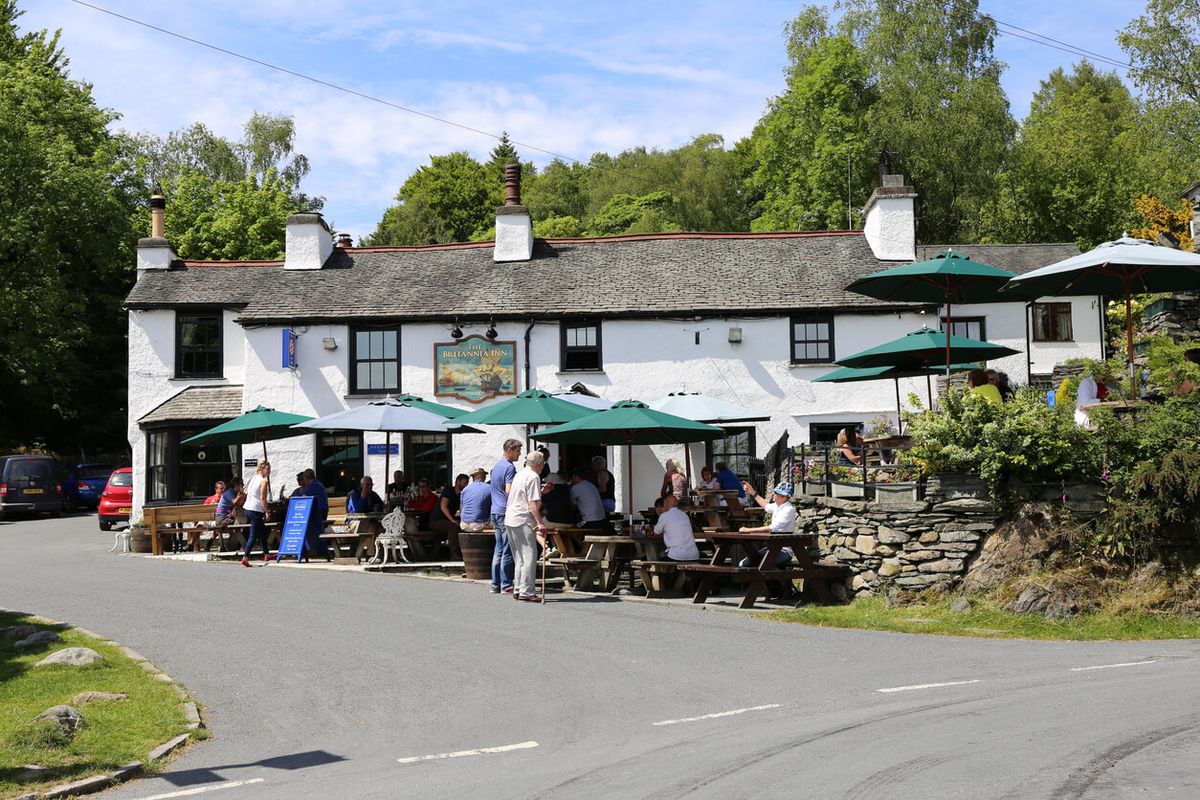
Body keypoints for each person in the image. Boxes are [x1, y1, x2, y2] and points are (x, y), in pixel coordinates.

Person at [504, 450, 549, 602]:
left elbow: (525, 497)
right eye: (543, 463)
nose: (543, 466)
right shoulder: (534, 476)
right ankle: (527, 591)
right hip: (523, 519)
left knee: (520, 558)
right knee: (529, 556)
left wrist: (542, 492)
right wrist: (540, 523)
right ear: (539, 464)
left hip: (510, 518)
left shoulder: (521, 474)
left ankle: (518, 588)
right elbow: (532, 504)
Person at [738, 480, 797, 567]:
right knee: (744, 563)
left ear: (784, 497)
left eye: (776, 492)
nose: (773, 493)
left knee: (759, 565)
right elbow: (766, 505)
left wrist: (748, 530)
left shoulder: (788, 509)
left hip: (784, 551)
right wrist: (753, 492)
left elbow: (771, 528)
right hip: (773, 548)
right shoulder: (777, 505)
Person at [490, 439, 522, 594]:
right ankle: (506, 584)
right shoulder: (509, 467)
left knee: (499, 549)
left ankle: (495, 584)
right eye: (517, 451)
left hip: (495, 510)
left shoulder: (496, 466)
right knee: (508, 549)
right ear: (510, 450)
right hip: (505, 511)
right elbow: (509, 490)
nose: (519, 454)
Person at [241, 461, 272, 567]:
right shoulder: (263, 481)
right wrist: (266, 512)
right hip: (255, 510)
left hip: (247, 508)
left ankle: (267, 554)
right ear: (262, 469)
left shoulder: (253, 478)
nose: (269, 471)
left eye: (269, 469)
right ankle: (245, 557)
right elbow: (262, 498)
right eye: (267, 469)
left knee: (263, 531)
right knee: (253, 536)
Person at [431, 473, 468, 559]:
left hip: (447, 519)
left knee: (464, 524)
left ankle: (463, 551)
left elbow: (462, 508)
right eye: (464, 483)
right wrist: (452, 520)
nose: (465, 485)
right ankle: (454, 554)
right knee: (453, 526)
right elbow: (443, 506)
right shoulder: (448, 491)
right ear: (458, 481)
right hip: (436, 520)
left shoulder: (461, 494)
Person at [652, 494, 699, 561]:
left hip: (677, 555)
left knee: (658, 563)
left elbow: (656, 532)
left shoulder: (665, 516)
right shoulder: (684, 515)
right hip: (693, 555)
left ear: (665, 503)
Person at [301, 467, 330, 560]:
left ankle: (310, 550)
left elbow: (304, 498)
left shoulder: (313, 486)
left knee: (305, 526)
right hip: (321, 511)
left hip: (318, 512)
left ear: (306, 478)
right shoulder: (318, 484)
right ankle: (314, 549)